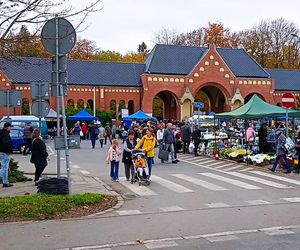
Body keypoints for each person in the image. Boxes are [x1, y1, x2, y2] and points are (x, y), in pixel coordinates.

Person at [0, 122, 13, 187]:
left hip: (2, 152)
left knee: (4, 168)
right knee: (4, 168)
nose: (10, 128)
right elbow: (6, 143)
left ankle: (5, 182)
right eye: (10, 127)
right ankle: (5, 182)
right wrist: (9, 149)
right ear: (7, 127)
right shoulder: (5, 134)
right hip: (4, 152)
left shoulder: (2, 133)